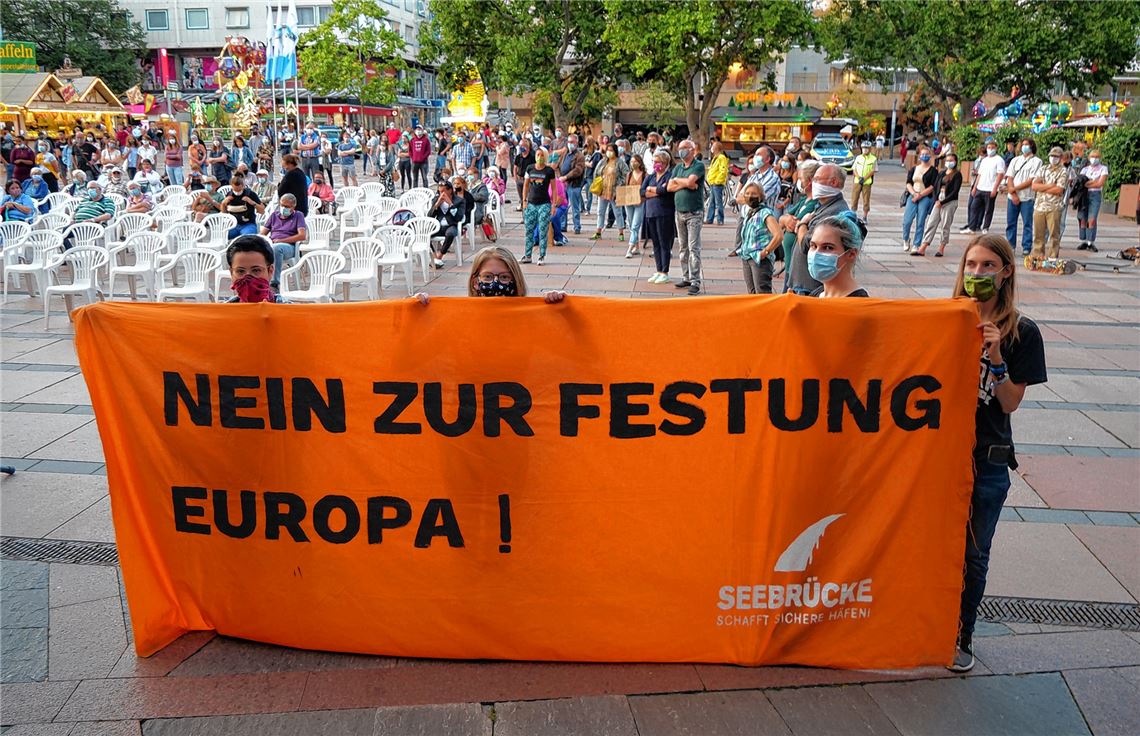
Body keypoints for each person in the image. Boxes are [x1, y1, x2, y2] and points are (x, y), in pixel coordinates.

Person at [949, 233, 1047, 673]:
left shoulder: (1023, 332)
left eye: (988, 266)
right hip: (939, 455)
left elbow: (1008, 403)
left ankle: (961, 634)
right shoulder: (947, 319)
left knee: (973, 554)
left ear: (1006, 272)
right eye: (972, 265)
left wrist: (995, 356)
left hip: (987, 459)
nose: (978, 274)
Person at [415, 245, 565, 305]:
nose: (495, 283)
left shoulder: (530, 317)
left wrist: (558, 307)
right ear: (475, 282)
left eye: (504, 277)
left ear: (515, 280)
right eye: (487, 277)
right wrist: (417, 308)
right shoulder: (462, 315)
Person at [786, 164, 848, 296]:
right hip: (802, 283)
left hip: (811, 287)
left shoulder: (833, 212)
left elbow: (806, 243)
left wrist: (802, 224)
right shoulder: (822, 206)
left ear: (833, 182)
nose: (813, 183)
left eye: (817, 179)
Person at [668, 138, 706, 296]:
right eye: (680, 147)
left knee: (693, 247)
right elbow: (670, 187)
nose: (681, 150)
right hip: (679, 212)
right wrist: (685, 183)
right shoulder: (678, 168)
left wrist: (680, 182)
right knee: (683, 247)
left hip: (694, 213)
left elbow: (692, 182)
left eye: (684, 147)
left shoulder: (698, 165)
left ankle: (695, 280)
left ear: (692, 150)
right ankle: (686, 277)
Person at [807, 213, 868, 298]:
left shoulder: (859, 303)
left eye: (828, 247)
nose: (816, 254)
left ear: (851, 254)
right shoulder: (817, 294)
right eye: (814, 246)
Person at [914, 152, 963, 257]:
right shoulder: (942, 173)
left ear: (955, 162)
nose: (949, 162)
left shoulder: (957, 174)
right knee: (931, 222)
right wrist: (936, 200)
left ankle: (941, 247)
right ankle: (923, 246)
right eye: (947, 160)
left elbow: (955, 192)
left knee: (945, 225)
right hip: (939, 199)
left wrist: (942, 202)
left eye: (951, 160)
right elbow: (935, 186)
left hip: (949, 202)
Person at [737, 182, 782, 294]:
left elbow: (779, 235)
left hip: (760, 259)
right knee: (751, 292)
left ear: (761, 196)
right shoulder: (749, 212)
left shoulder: (765, 213)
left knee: (762, 292)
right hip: (747, 256)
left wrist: (765, 252)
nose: (750, 196)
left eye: (754, 194)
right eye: (747, 193)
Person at [1003, 138, 1041, 255]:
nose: (1024, 147)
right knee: (1011, 222)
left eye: (1027, 144)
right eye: (1023, 144)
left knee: (1027, 224)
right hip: (1012, 197)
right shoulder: (1015, 160)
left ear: (1032, 146)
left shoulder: (1037, 161)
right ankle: (1010, 245)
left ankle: (1026, 246)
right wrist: (1013, 193)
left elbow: (1031, 180)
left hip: (1027, 197)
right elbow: (1010, 177)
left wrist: (1015, 189)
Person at [225, 234, 290, 303]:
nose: (248, 279)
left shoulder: (287, 309)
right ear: (231, 273)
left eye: (256, 270)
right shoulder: (224, 309)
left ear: (270, 271)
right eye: (240, 271)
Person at [1029, 147, 1068, 260]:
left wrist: (1042, 187)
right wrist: (1050, 186)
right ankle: (1038, 256)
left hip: (1054, 207)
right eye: (1052, 156)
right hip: (1039, 206)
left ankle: (1052, 257)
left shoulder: (1063, 171)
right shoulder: (1043, 169)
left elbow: (1059, 190)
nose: (1053, 158)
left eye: (1056, 156)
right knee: (1038, 234)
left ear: (1060, 158)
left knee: (1054, 234)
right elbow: (1034, 186)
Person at [262, 194, 309, 287]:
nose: (283, 208)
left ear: (293, 207)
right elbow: (263, 233)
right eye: (282, 205)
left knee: (276, 248)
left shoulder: (298, 215)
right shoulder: (274, 215)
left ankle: (275, 282)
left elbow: (302, 236)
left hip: (289, 246)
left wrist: (282, 240)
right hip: (272, 243)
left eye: (287, 206)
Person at [521, 147, 556, 265]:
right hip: (531, 203)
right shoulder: (530, 168)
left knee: (543, 230)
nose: (539, 157)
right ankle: (527, 255)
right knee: (529, 230)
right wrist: (524, 200)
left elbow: (554, 189)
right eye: (537, 155)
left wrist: (553, 205)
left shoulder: (549, 171)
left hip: (544, 204)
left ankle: (541, 255)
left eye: (542, 155)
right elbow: (526, 185)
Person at [589, 143, 629, 241]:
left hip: (614, 192)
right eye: (608, 150)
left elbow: (626, 175)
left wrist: (619, 184)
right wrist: (599, 181)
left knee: (618, 212)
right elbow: (596, 173)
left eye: (611, 150)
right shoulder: (603, 161)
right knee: (600, 212)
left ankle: (621, 233)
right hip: (603, 190)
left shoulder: (620, 162)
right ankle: (598, 231)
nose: (609, 152)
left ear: (615, 151)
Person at [903, 146, 937, 253]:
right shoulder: (914, 169)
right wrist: (914, 194)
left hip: (925, 196)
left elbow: (932, 186)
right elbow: (908, 183)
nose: (924, 156)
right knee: (907, 221)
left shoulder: (933, 171)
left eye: (927, 154)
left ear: (930, 156)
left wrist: (920, 195)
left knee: (920, 221)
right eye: (922, 154)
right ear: (919, 156)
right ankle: (906, 239)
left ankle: (916, 244)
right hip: (913, 195)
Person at [428, 179, 466, 268]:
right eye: (439, 191)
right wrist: (436, 205)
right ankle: (434, 257)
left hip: (451, 225)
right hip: (439, 226)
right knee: (425, 234)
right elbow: (429, 216)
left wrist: (451, 204)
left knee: (450, 234)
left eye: (443, 191)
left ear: (450, 190)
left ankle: (440, 256)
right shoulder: (436, 199)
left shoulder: (459, 201)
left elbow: (459, 217)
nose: (441, 194)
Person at [1077, 149, 1108, 252]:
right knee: (1082, 218)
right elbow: (1081, 182)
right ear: (1089, 158)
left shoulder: (1103, 169)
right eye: (1092, 157)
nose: (1094, 159)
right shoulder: (1085, 169)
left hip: (1095, 195)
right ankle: (1084, 240)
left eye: (1096, 157)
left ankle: (1091, 242)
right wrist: (1093, 182)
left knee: (1092, 218)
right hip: (1084, 195)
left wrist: (1089, 183)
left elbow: (1100, 183)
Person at [557, 134, 585, 236]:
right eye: (568, 142)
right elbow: (559, 165)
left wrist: (566, 177)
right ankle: (563, 225)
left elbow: (578, 170)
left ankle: (577, 226)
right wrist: (560, 177)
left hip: (574, 184)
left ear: (576, 143)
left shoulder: (579, 156)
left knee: (575, 207)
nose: (570, 144)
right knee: (563, 205)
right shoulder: (565, 153)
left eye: (572, 142)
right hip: (563, 184)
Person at [221, 173, 264, 238]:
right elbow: (224, 212)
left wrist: (252, 202)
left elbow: (262, 211)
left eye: (239, 190)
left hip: (248, 224)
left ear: (243, 186)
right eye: (235, 190)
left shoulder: (250, 194)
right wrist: (223, 203)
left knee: (246, 237)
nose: (237, 192)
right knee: (223, 235)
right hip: (234, 224)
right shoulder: (229, 194)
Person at [623, 154, 647, 258]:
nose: (633, 163)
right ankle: (636, 247)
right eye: (632, 162)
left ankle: (630, 248)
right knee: (631, 224)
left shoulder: (645, 175)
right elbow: (626, 186)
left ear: (640, 163)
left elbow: (646, 189)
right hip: (629, 202)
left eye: (635, 161)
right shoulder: (629, 174)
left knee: (635, 225)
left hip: (640, 202)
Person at [850, 140, 877, 221]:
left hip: (867, 182)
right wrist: (859, 177)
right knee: (854, 198)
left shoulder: (873, 159)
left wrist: (864, 178)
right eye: (863, 148)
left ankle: (865, 217)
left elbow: (873, 170)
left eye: (867, 148)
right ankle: (853, 215)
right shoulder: (858, 158)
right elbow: (854, 169)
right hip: (857, 181)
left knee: (866, 200)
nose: (865, 150)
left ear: (870, 149)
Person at [704, 141, 729, 225]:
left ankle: (720, 219)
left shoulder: (721, 158)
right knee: (712, 202)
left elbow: (723, 170)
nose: (711, 148)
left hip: (717, 184)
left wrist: (717, 181)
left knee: (718, 202)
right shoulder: (716, 157)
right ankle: (709, 219)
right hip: (713, 183)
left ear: (716, 148)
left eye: (712, 146)